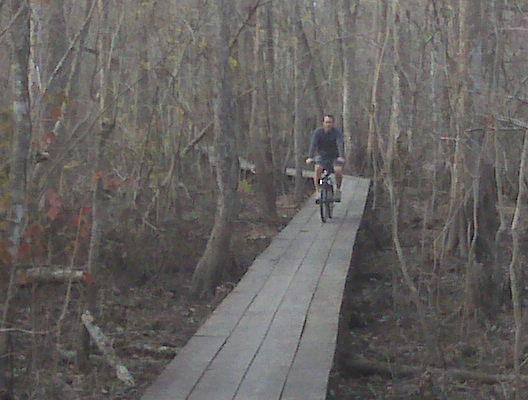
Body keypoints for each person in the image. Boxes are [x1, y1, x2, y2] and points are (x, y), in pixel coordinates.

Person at [305, 114, 345, 202]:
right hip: (322, 157)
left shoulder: (337, 132)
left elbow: (340, 144)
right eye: (326, 122)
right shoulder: (318, 132)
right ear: (323, 123)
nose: (328, 124)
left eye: (330, 122)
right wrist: (310, 157)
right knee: (318, 169)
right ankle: (318, 190)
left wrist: (341, 156)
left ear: (333, 123)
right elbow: (313, 144)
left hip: (335, 157)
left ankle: (338, 190)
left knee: (338, 170)